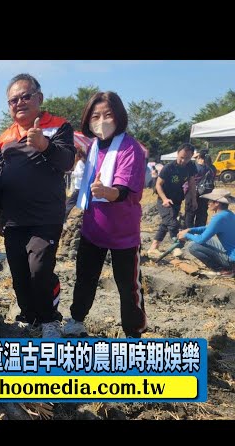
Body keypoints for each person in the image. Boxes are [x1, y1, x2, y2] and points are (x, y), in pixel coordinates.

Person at [0, 73, 75, 338]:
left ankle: (50, 319)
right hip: (14, 219)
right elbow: (0, 179)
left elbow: (67, 161)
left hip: (45, 217)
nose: (19, 103)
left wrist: (45, 145)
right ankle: (30, 317)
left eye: (25, 96)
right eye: (13, 100)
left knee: (39, 270)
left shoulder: (59, 126)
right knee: (19, 275)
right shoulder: (3, 139)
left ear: (39, 98)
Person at [62, 91, 147, 339]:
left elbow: (123, 191)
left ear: (119, 117)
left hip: (123, 233)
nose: (101, 121)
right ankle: (76, 320)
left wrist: (105, 192)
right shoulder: (93, 147)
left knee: (128, 285)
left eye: (107, 115)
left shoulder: (130, 148)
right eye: (95, 116)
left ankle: (134, 334)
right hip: (93, 228)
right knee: (85, 278)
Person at [148, 143, 197, 257]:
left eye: (187, 158)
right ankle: (176, 246)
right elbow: (158, 185)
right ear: (177, 154)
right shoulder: (168, 167)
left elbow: (192, 183)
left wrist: (194, 199)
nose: (184, 161)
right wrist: (165, 199)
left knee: (166, 223)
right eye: (181, 157)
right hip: (164, 199)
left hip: (177, 199)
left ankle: (153, 248)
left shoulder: (190, 166)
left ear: (191, 156)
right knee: (172, 222)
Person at [179, 188, 235, 277]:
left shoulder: (218, 218)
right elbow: (209, 228)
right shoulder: (229, 214)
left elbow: (201, 240)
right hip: (232, 254)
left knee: (193, 246)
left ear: (217, 203)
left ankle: (223, 270)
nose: (208, 203)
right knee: (206, 240)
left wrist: (186, 235)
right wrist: (190, 230)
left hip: (231, 260)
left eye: (210, 201)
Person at [184, 150, 217, 228]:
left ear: (199, 157)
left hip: (193, 192)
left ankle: (189, 230)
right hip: (206, 192)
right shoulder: (212, 168)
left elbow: (189, 180)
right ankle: (200, 231)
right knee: (202, 213)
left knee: (190, 213)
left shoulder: (195, 167)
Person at [64, 147, 86, 221]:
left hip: (78, 187)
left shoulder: (80, 162)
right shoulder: (84, 161)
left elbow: (81, 173)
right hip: (81, 186)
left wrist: (72, 173)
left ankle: (63, 218)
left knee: (69, 203)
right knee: (73, 203)